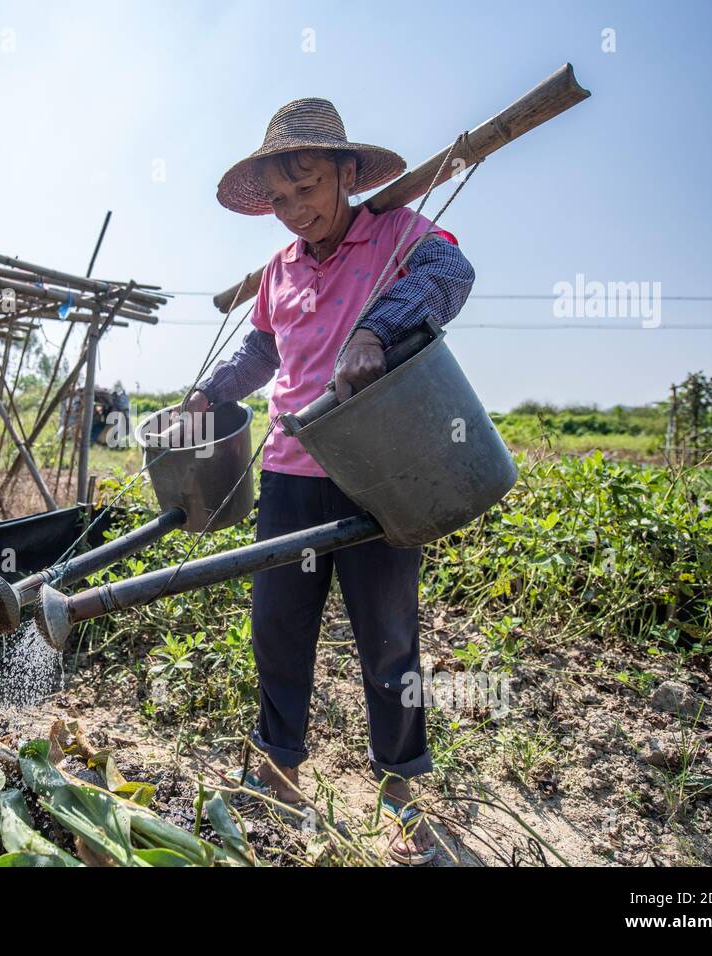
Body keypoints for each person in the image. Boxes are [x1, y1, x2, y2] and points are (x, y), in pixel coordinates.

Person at [188, 97, 475, 864]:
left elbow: (453, 271)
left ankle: (401, 786)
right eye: (279, 200)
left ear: (348, 173)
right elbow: (260, 354)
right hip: (289, 472)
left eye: (307, 187)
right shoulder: (279, 271)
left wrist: (378, 330)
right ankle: (280, 769)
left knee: (389, 635)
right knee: (277, 627)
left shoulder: (393, 235)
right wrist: (211, 391)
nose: (292, 211)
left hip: (377, 469)